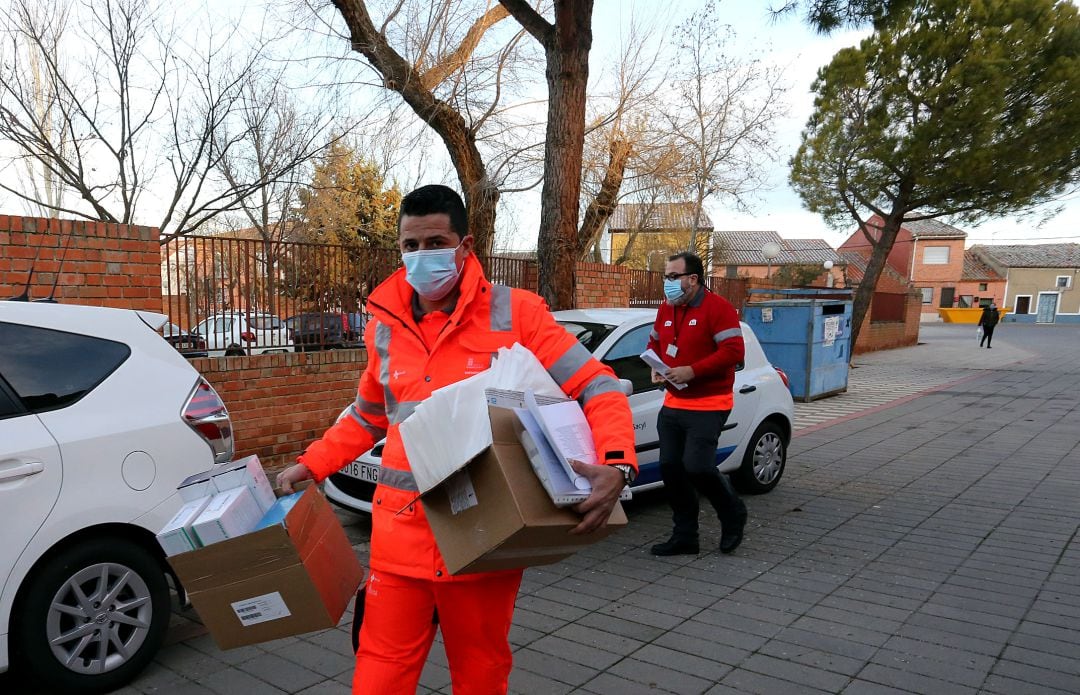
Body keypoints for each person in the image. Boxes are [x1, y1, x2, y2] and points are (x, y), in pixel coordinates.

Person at [275, 184, 637, 694]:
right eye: (410, 246)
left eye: (435, 242)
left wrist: (618, 463)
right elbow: (368, 416)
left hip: (483, 537)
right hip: (399, 540)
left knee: (481, 674)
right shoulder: (384, 326)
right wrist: (308, 466)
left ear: (465, 247)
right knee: (378, 675)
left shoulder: (519, 314)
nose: (422, 256)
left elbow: (597, 384)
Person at [646, 251, 747, 557]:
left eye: (673, 276)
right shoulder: (666, 308)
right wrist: (655, 363)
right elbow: (654, 341)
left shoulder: (718, 308)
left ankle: (733, 512)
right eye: (666, 276)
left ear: (693, 279)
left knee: (698, 466)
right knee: (671, 468)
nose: (668, 282)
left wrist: (693, 370)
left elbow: (733, 351)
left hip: (710, 403)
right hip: (674, 403)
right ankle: (685, 535)